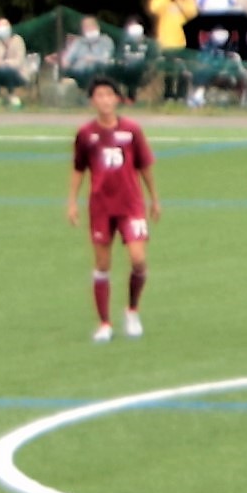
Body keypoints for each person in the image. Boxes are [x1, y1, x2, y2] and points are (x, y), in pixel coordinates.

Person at [70, 78, 157, 341]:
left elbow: (144, 166)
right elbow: (79, 169)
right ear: (92, 101)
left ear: (117, 99)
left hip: (131, 205)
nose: (105, 100)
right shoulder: (86, 134)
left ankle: (132, 310)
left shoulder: (132, 131)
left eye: (109, 95)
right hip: (101, 207)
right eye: (99, 95)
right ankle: (105, 323)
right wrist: (72, 201)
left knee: (139, 260)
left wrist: (155, 198)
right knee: (102, 263)